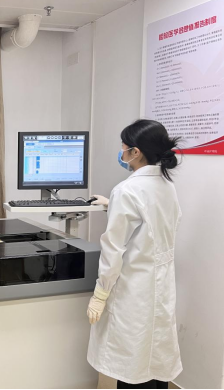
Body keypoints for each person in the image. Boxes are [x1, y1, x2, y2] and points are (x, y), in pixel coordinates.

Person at [86, 120, 183, 390]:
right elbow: (153, 221)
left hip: (133, 290)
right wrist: (113, 206)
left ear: (136, 152)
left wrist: (100, 295)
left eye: (124, 148)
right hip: (160, 285)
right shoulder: (166, 185)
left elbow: (113, 251)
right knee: (155, 360)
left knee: (132, 365)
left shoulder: (126, 190)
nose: (122, 152)